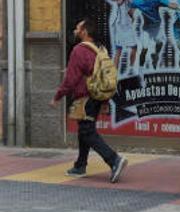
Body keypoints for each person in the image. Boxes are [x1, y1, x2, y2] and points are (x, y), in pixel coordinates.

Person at [50, 18, 128, 182]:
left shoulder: (79, 50)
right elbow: (97, 73)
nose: (75, 30)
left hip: (85, 97)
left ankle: (114, 160)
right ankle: (80, 165)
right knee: (84, 130)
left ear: (84, 32)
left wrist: (57, 96)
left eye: (78, 28)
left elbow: (71, 79)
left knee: (87, 131)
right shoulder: (98, 49)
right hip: (96, 95)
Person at [132, 0, 180, 70]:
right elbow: (131, 8)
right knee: (144, 49)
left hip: (157, 27)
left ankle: (155, 55)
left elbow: (170, 4)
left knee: (160, 43)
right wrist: (131, 16)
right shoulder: (138, 0)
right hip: (146, 28)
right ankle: (140, 72)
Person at [106, 0, 138, 77]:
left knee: (133, 48)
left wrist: (132, 15)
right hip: (120, 28)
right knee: (118, 51)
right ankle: (114, 74)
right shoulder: (118, 0)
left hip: (127, 27)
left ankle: (131, 68)